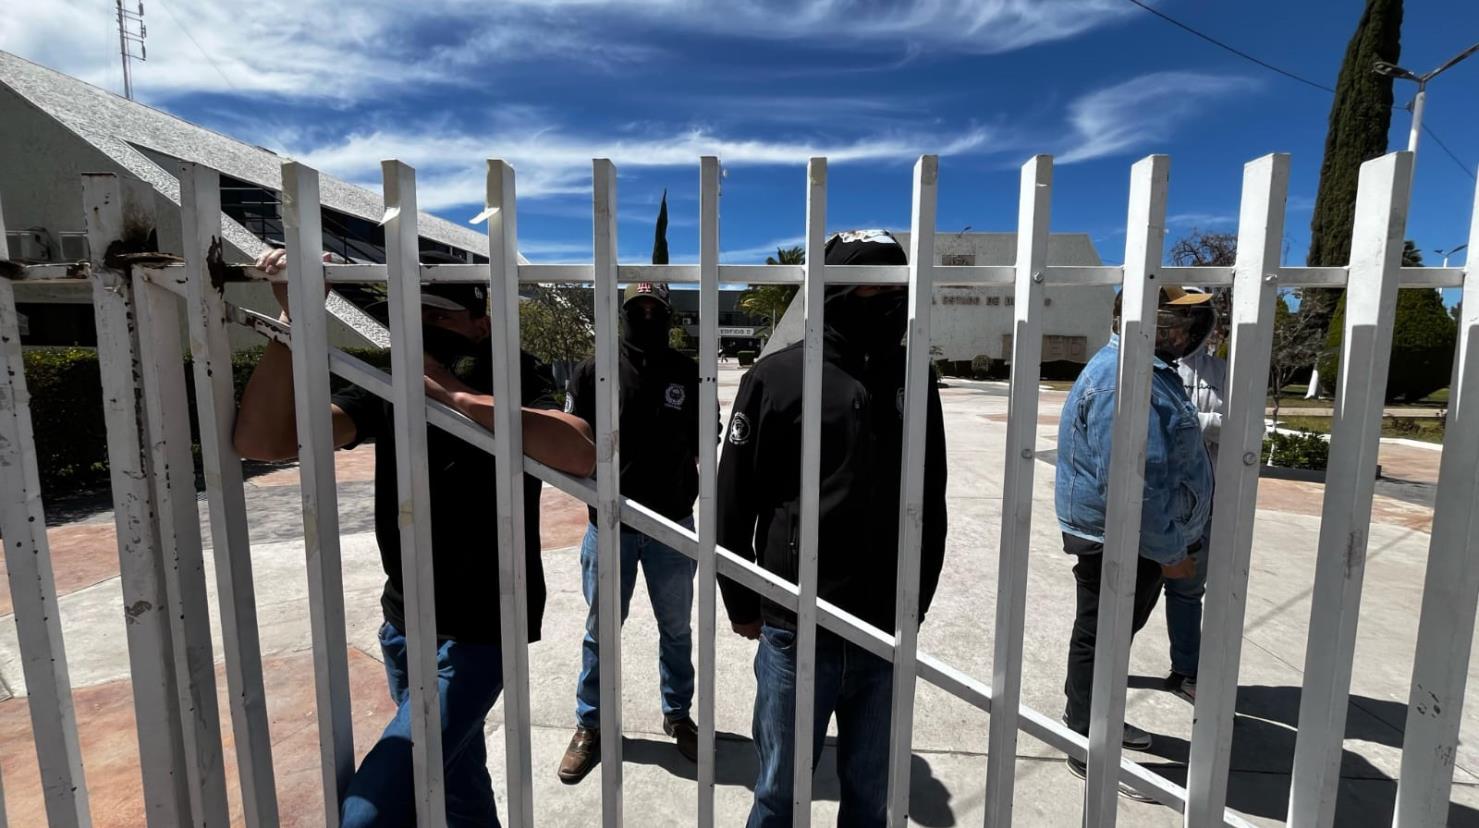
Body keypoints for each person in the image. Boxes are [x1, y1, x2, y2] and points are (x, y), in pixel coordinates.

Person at [233, 247, 596, 828]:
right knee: (455, 776)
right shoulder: (388, 377)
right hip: (404, 622)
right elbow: (265, 440)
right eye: (414, 316)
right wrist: (293, 323)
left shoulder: (512, 370)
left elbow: (578, 451)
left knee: (369, 811)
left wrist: (454, 394)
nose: (425, 328)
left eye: (441, 315)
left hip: (483, 626)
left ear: (482, 323)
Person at [717, 230, 948, 828]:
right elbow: (733, 500)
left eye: (890, 288)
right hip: (796, 627)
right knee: (777, 793)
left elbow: (932, 499)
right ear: (830, 290)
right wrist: (742, 602)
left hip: (883, 631)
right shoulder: (777, 378)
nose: (877, 300)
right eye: (861, 287)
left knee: (870, 798)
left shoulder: (913, 380)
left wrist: (913, 604)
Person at [1054, 286, 1213, 799]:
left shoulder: (1145, 371)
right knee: (1100, 637)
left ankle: (1093, 720)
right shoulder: (1124, 377)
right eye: (1180, 324)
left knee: (1107, 636)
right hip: (1123, 538)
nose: (1187, 335)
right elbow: (1133, 482)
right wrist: (1172, 554)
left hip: (1133, 536)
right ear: (1158, 326)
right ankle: (1086, 743)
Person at [557, 282, 703, 784]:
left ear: (667, 314)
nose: (645, 316)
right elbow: (570, 441)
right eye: (636, 309)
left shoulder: (688, 371)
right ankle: (591, 725)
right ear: (623, 314)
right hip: (610, 525)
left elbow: (706, 441)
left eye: (654, 309)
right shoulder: (592, 369)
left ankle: (678, 715)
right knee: (601, 633)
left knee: (678, 630)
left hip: (671, 526)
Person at [1165, 291, 1223, 702]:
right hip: (1151, 497)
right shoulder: (1137, 366)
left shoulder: (1219, 372)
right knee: (1124, 591)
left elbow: (1243, 424)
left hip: (1199, 504)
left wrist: (1187, 420)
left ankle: (1186, 669)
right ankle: (1102, 671)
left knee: (1187, 590)